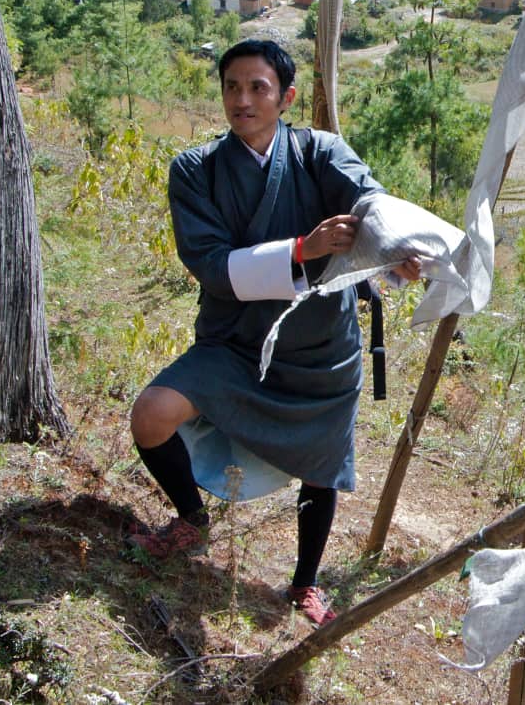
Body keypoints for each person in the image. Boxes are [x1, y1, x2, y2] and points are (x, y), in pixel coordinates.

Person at [126, 39, 420, 626]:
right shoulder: (195, 169)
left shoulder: (320, 152)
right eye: (232, 86)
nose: (243, 99)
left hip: (320, 351)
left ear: (285, 97)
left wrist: (398, 249)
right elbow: (210, 264)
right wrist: (301, 249)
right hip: (234, 342)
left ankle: (305, 583)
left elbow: (371, 201)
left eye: (258, 87)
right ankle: (191, 518)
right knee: (152, 413)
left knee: (320, 465)